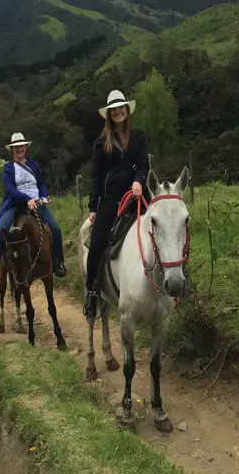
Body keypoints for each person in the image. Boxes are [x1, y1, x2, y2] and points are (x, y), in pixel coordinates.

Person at [84, 90, 149, 318]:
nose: (118, 111)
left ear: (127, 110)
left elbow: (143, 164)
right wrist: (94, 207)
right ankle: (91, 290)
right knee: (98, 240)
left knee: (165, 226)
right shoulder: (101, 143)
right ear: (109, 114)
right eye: (114, 109)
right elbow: (96, 176)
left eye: (121, 107)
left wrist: (138, 181)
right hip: (111, 198)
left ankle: (178, 278)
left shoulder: (138, 136)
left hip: (137, 193)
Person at [0, 132, 66, 280]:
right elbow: (10, 190)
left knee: (56, 228)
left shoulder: (34, 165)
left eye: (21, 146)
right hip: (15, 204)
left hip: (37, 203)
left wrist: (44, 196)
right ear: (12, 150)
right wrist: (27, 199)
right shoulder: (8, 168)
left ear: (26, 148)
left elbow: (41, 183)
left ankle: (57, 262)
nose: (19, 149)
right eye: (16, 147)